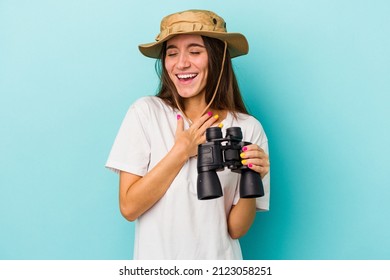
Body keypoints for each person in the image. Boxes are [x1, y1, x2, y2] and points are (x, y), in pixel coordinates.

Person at [105, 9, 270, 260]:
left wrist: (253, 177)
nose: (181, 63)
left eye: (195, 51)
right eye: (172, 53)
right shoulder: (146, 113)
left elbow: (236, 229)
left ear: (217, 57)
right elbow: (129, 207)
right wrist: (181, 151)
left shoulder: (248, 128)